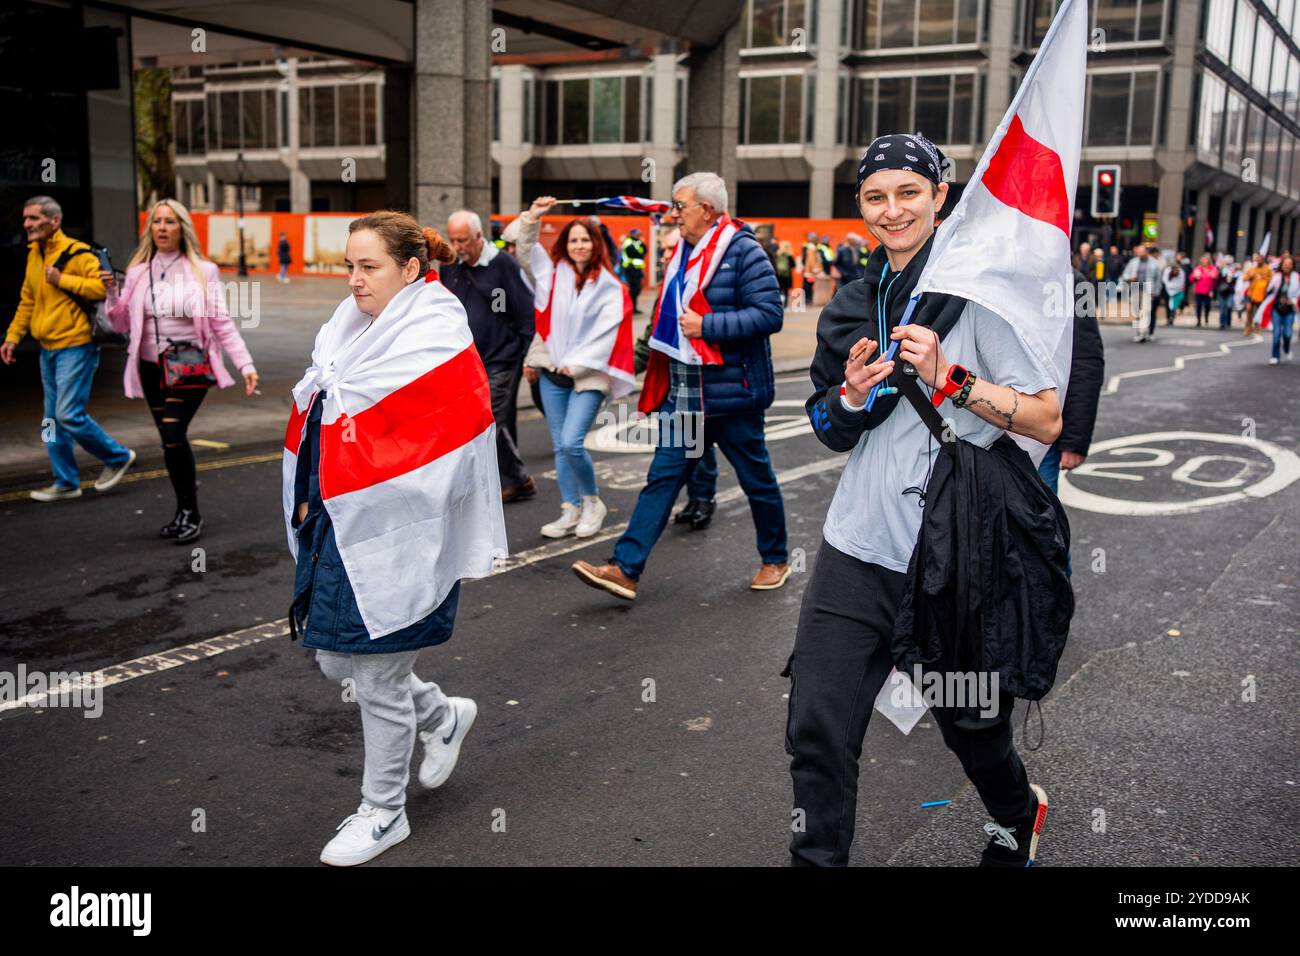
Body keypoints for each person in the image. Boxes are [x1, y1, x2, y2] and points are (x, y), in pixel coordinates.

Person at [789, 132, 1066, 867]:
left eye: (909, 192)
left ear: (941, 197)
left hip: (954, 553)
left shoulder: (984, 293)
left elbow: (1045, 418)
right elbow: (824, 424)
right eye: (876, 196)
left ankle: (1015, 811)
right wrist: (848, 396)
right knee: (816, 726)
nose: (892, 210)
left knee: (972, 727)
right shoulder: (852, 301)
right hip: (858, 546)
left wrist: (956, 380)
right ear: (861, 207)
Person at [286, 211, 506, 866]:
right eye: (348, 266)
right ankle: (442, 716)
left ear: (410, 270)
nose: (353, 280)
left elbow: (451, 443)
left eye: (368, 266)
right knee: (335, 659)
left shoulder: (435, 333)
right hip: (340, 522)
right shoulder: (348, 328)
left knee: (378, 676)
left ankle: (384, 812)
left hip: (401, 534)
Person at [571, 171, 789, 600]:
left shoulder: (744, 251)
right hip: (686, 397)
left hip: (732, 397)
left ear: (706, 210)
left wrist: (707, 325)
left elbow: (770, 315)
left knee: (756, 479)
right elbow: (663, 325)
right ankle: (624, 569)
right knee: (662, 479)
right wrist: (624, 367)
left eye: (680, 206)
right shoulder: (683, 255)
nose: (674, 214)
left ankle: (776, 558)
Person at [102, 198, 258, 542]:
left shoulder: (203, 270)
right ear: (150, 229)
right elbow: (121, 322)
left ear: (181, 228)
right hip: (150, 368)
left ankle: (191, 512)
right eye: (157, 221)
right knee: (169, 443)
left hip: (188, 366)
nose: (162, 227)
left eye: (170, 221)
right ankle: (183, 510)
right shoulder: (138, 271)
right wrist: (113, 295)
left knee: (173, 435)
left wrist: (244, 363)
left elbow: (221, 322)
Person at [1, 195, 136, 502]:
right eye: (25, 219)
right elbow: (28, 300)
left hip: (76, 346)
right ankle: (65, 481)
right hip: (47, 349)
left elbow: (105, 288)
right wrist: (12, 337)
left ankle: (116, 456)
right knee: (51, 420)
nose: (27, 225)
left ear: (54, 221)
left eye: (34, 218)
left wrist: (64, 279)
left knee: (67, 414)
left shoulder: (78, 253)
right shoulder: (34, 254)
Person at [518, 196, 636, 539]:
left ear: (595, 244)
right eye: (573, 240)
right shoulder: (552, 276)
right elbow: (525, 251)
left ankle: (592, 502)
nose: (579, 246)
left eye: (585, 240)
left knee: (571, 442)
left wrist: (579, 363)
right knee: (559, 445)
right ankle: (569, 509)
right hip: (553, 375)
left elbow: (608, 331)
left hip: (589, 376)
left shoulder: (611, 287)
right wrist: (533, 216)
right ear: (565, 245)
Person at [444, 208, 537, 502]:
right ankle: (513, 478)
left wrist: (527, 356)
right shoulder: (451, 266)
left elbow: (525, 311)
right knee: (475, 421)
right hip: (466, 360)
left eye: (463, 241)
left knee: (489, 421)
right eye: (453, 240)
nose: (458, 247)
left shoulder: (503, 265)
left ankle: (517, 479)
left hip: (501, 358)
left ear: (479, 236)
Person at [1121, 244, 1161, 341]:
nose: (1140, 254)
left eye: (1142, 252)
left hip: (1147, 290)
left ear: (1146, 252)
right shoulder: (1133, 262)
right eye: (1138, 252)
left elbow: (1158, 279)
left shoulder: (1154, 263)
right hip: (1135, 289)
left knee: (1146, 311)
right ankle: (1139, 331)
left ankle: (1142, 333)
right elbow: (1125, 274)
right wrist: (1129, 277)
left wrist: (1156, 292)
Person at [1263, 254, 1298, 364]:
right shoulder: (1277, 276)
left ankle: (1287, 349)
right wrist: (1271, 289)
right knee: (1277, 333)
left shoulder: (1296, 277)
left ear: (1292, 266)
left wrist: (1293, 300)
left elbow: (1298, 294)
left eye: (1289, 264)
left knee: (1287, 334)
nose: (1287, 266)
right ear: (1281, 265)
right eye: (1285, 264)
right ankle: (1275, 356)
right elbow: (1268, 291)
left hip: (1289, 310)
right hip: (1277, 309)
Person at [1242, 255, 1272, 336]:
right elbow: (1244, 278)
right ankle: (1248, 327)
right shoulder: (1252, 269)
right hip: (1251, 293)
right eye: (1257, 260)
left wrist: (1263, 278)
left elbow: (1273, 279)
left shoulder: (1267, 269)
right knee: (1248, 309)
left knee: (1258, 312)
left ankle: (1257, 328)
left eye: (1260, 259)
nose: (1259, 261)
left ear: (1263, 260)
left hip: (1262, 294)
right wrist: (1250, 277)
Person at [620, 228, 647, 313]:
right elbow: (636, 254)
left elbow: (644, 251)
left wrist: (641, 243)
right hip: (630, 268)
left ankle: (633, 308)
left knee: (636, 289)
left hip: (637, 269)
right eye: (637, 234)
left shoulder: (636, 242)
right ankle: (629, 307)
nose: (638, 236)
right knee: (633, 289)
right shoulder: (628, 242)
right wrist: (640, 253)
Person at [1188, 253, 1217, 328]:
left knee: (1207, 306)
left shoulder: (1212, 268)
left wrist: (1212, 290)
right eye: (1203, 260)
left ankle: (1206, 317)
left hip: (1208, 291)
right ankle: (1199, 321)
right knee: (1198, 306)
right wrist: (1195, 276)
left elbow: (1215, 278)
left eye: (1206, 260)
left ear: (1208, 261)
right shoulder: (1198, 269)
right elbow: (1191, 278)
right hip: (1199, 290)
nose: (1204, 261)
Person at [774, 239, 796, 307]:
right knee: (786, 291)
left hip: (778, 275)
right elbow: (793, 265)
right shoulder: (789, 256)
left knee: (779, 289)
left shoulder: (777, 254)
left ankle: (779, 303)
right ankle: (785, 305)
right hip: (787, 275)